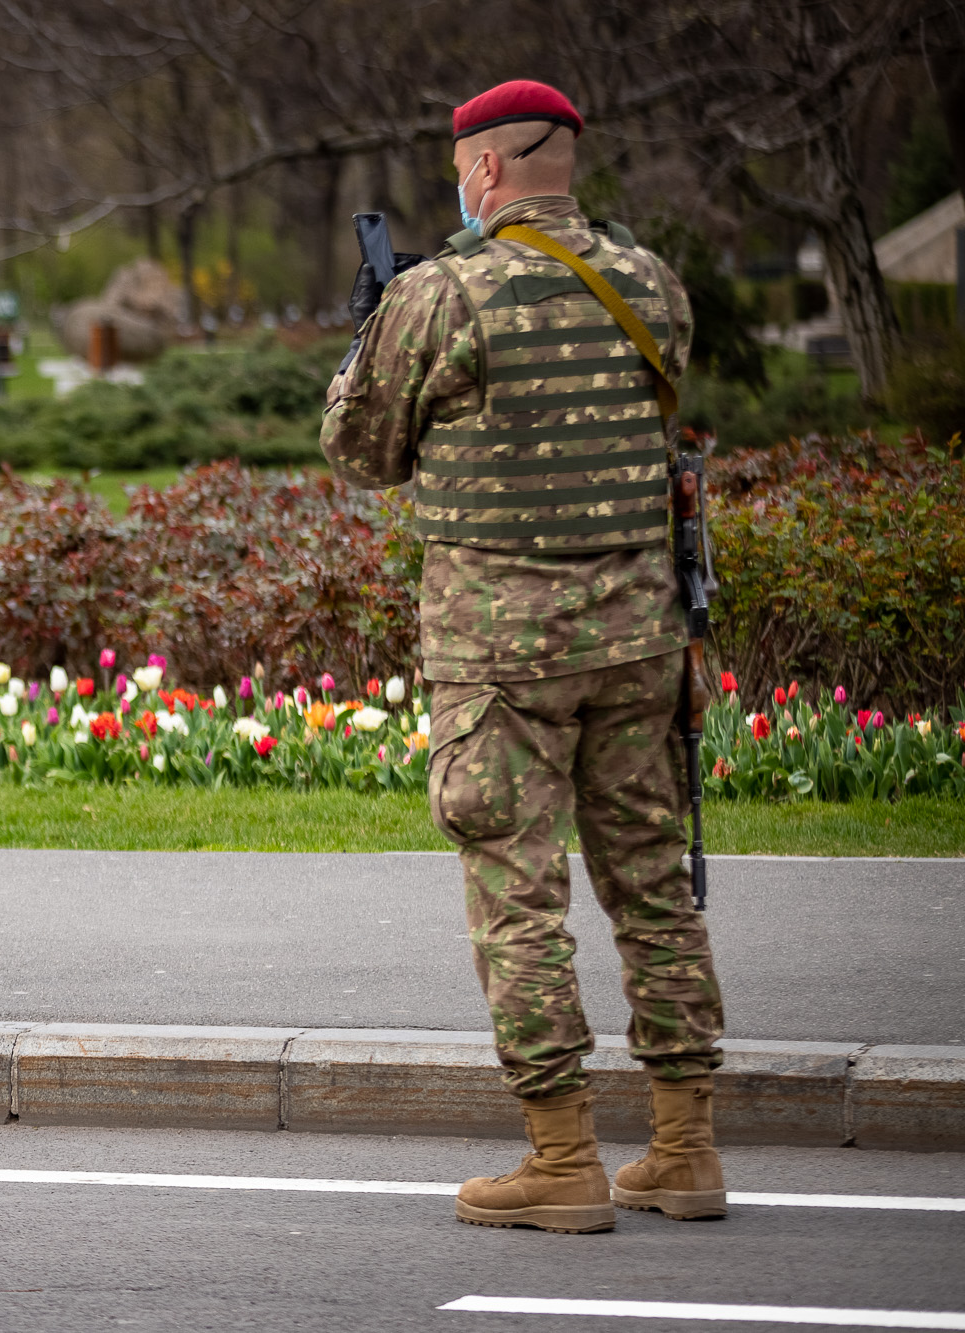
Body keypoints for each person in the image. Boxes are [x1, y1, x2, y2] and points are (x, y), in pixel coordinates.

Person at [320, 80, 725, 1234]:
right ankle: (684, 1149)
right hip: (639, 637)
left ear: (483, 171)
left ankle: (559, 1159)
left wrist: (368, 335)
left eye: (463, 171)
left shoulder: (445, 294)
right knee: (651, 886)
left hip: (499, 653)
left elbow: (358, 450)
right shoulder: (650, 284)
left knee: (517, 896)